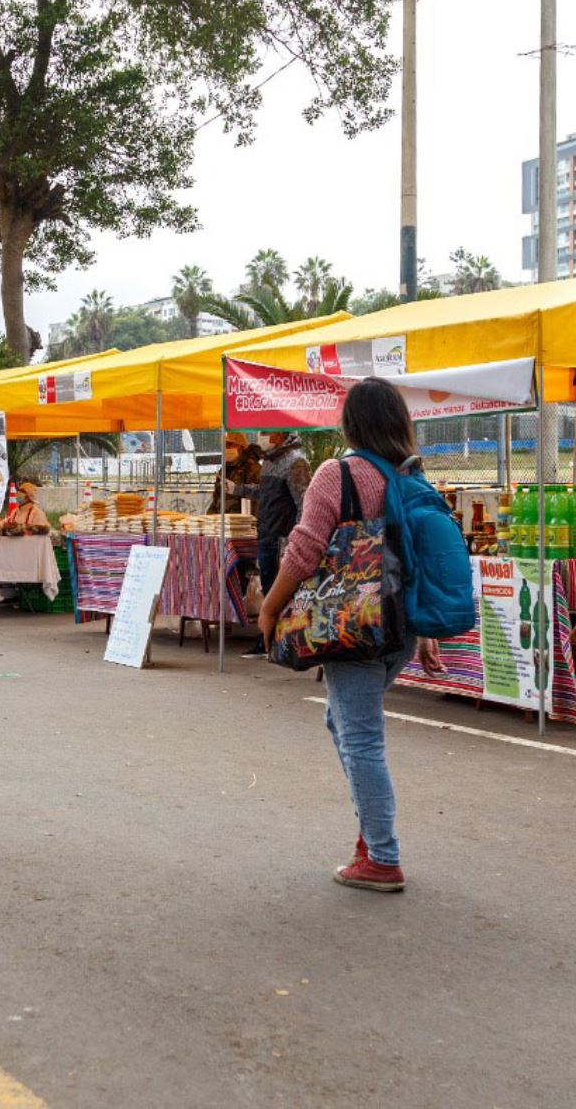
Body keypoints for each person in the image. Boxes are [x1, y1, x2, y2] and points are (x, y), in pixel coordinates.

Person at [257, 378, 424, 894]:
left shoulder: (338, 473)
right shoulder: (412, 475)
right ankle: (370, 835)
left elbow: (304, 551)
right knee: (342, 721)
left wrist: (269, 608)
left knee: (360, 737)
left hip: (352, 625)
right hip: (401, 626)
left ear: (350, 423)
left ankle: (381, 857)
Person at [228, 431, 311, 657]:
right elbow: (264, 493)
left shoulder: (296, 462)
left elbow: (304, 503)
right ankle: (270, 640)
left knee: (278, 591)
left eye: (266, 431)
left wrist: (296, 540)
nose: (261, 435)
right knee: (268, 587)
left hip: (282, 539)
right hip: (266, 534)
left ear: (280, 433)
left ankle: (278, 642)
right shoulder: (270, 461)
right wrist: (238, 490)